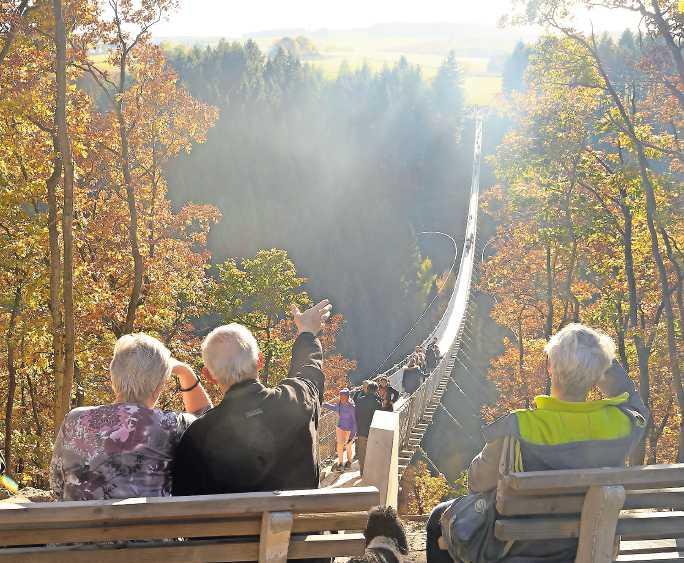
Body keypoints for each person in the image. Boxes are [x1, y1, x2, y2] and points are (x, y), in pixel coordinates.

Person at [426, 323, 649, 563]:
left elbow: (477, 482)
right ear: (599, 373)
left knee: (439, 517)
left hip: (518, 550)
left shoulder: (518, 426)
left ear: (550, 367)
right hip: (585, 547)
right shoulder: (621, 424)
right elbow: (636, 404)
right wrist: (600, 363)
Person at [172, 299, 332, 495]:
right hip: (300, 526)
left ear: (208, 376)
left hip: (227, 527)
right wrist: (307, 332)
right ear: (260, 362)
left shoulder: (196, 437)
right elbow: (309, 371)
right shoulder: (298, 399)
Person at [50, 333, 212, 501]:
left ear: (113, 380)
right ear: (158, 387)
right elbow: (208, 422)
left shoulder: (75, 419)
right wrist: (186, 373)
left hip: (80, 526)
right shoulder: (173, 425)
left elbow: (56, 486)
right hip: (148, 526)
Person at [323, 388, 357, 470]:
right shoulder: (339, 405)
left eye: (344, 396)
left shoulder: (352, 407)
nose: (342, 398)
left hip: (349, 429)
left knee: (348, 446)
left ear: (348, 397)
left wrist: (352, 435)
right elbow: (332, 407)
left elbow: (355, 422)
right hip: (340, 427)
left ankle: (349, 461)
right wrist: (322, 404)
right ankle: (340, 463)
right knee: (339, 446)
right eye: (341, 396)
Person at [353, 381, 382, 474]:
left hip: (361, 430)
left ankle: (362, 471)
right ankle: (370, 471)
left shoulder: (359, 400)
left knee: (361, 452)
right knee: (372, 451)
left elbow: (355, 414)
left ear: (367, 390)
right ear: (376, 390)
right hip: (373, 430)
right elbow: (378, 417)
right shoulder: (377, 402)